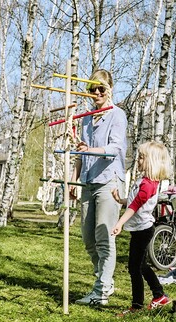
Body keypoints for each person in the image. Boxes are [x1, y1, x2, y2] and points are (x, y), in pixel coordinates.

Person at [70, 69, 127, 305]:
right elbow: (80, 152)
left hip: (109, 181)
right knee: (88, 239)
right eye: (92, 89)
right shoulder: (85, 118)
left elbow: (115, 149)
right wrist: (73, 179)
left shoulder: (117, 115)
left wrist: (90, 150)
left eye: (101, 88)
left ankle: (101, 290)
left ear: (109, 89)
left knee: (104, 238)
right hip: (87, 180)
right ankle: (105, 280)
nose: (96, 93)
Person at [111, 141, 172, 316]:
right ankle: (159, 295)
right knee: (140, 265)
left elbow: (136, 205)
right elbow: (132, 202)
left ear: (151, 161)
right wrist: (120, 199)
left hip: (143, 230)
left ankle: (137, 306)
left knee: (134, 268)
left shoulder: (148, 185)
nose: (138, 160)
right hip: (139, 230)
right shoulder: (144, 181)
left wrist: (119, 223)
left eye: (142, 158)